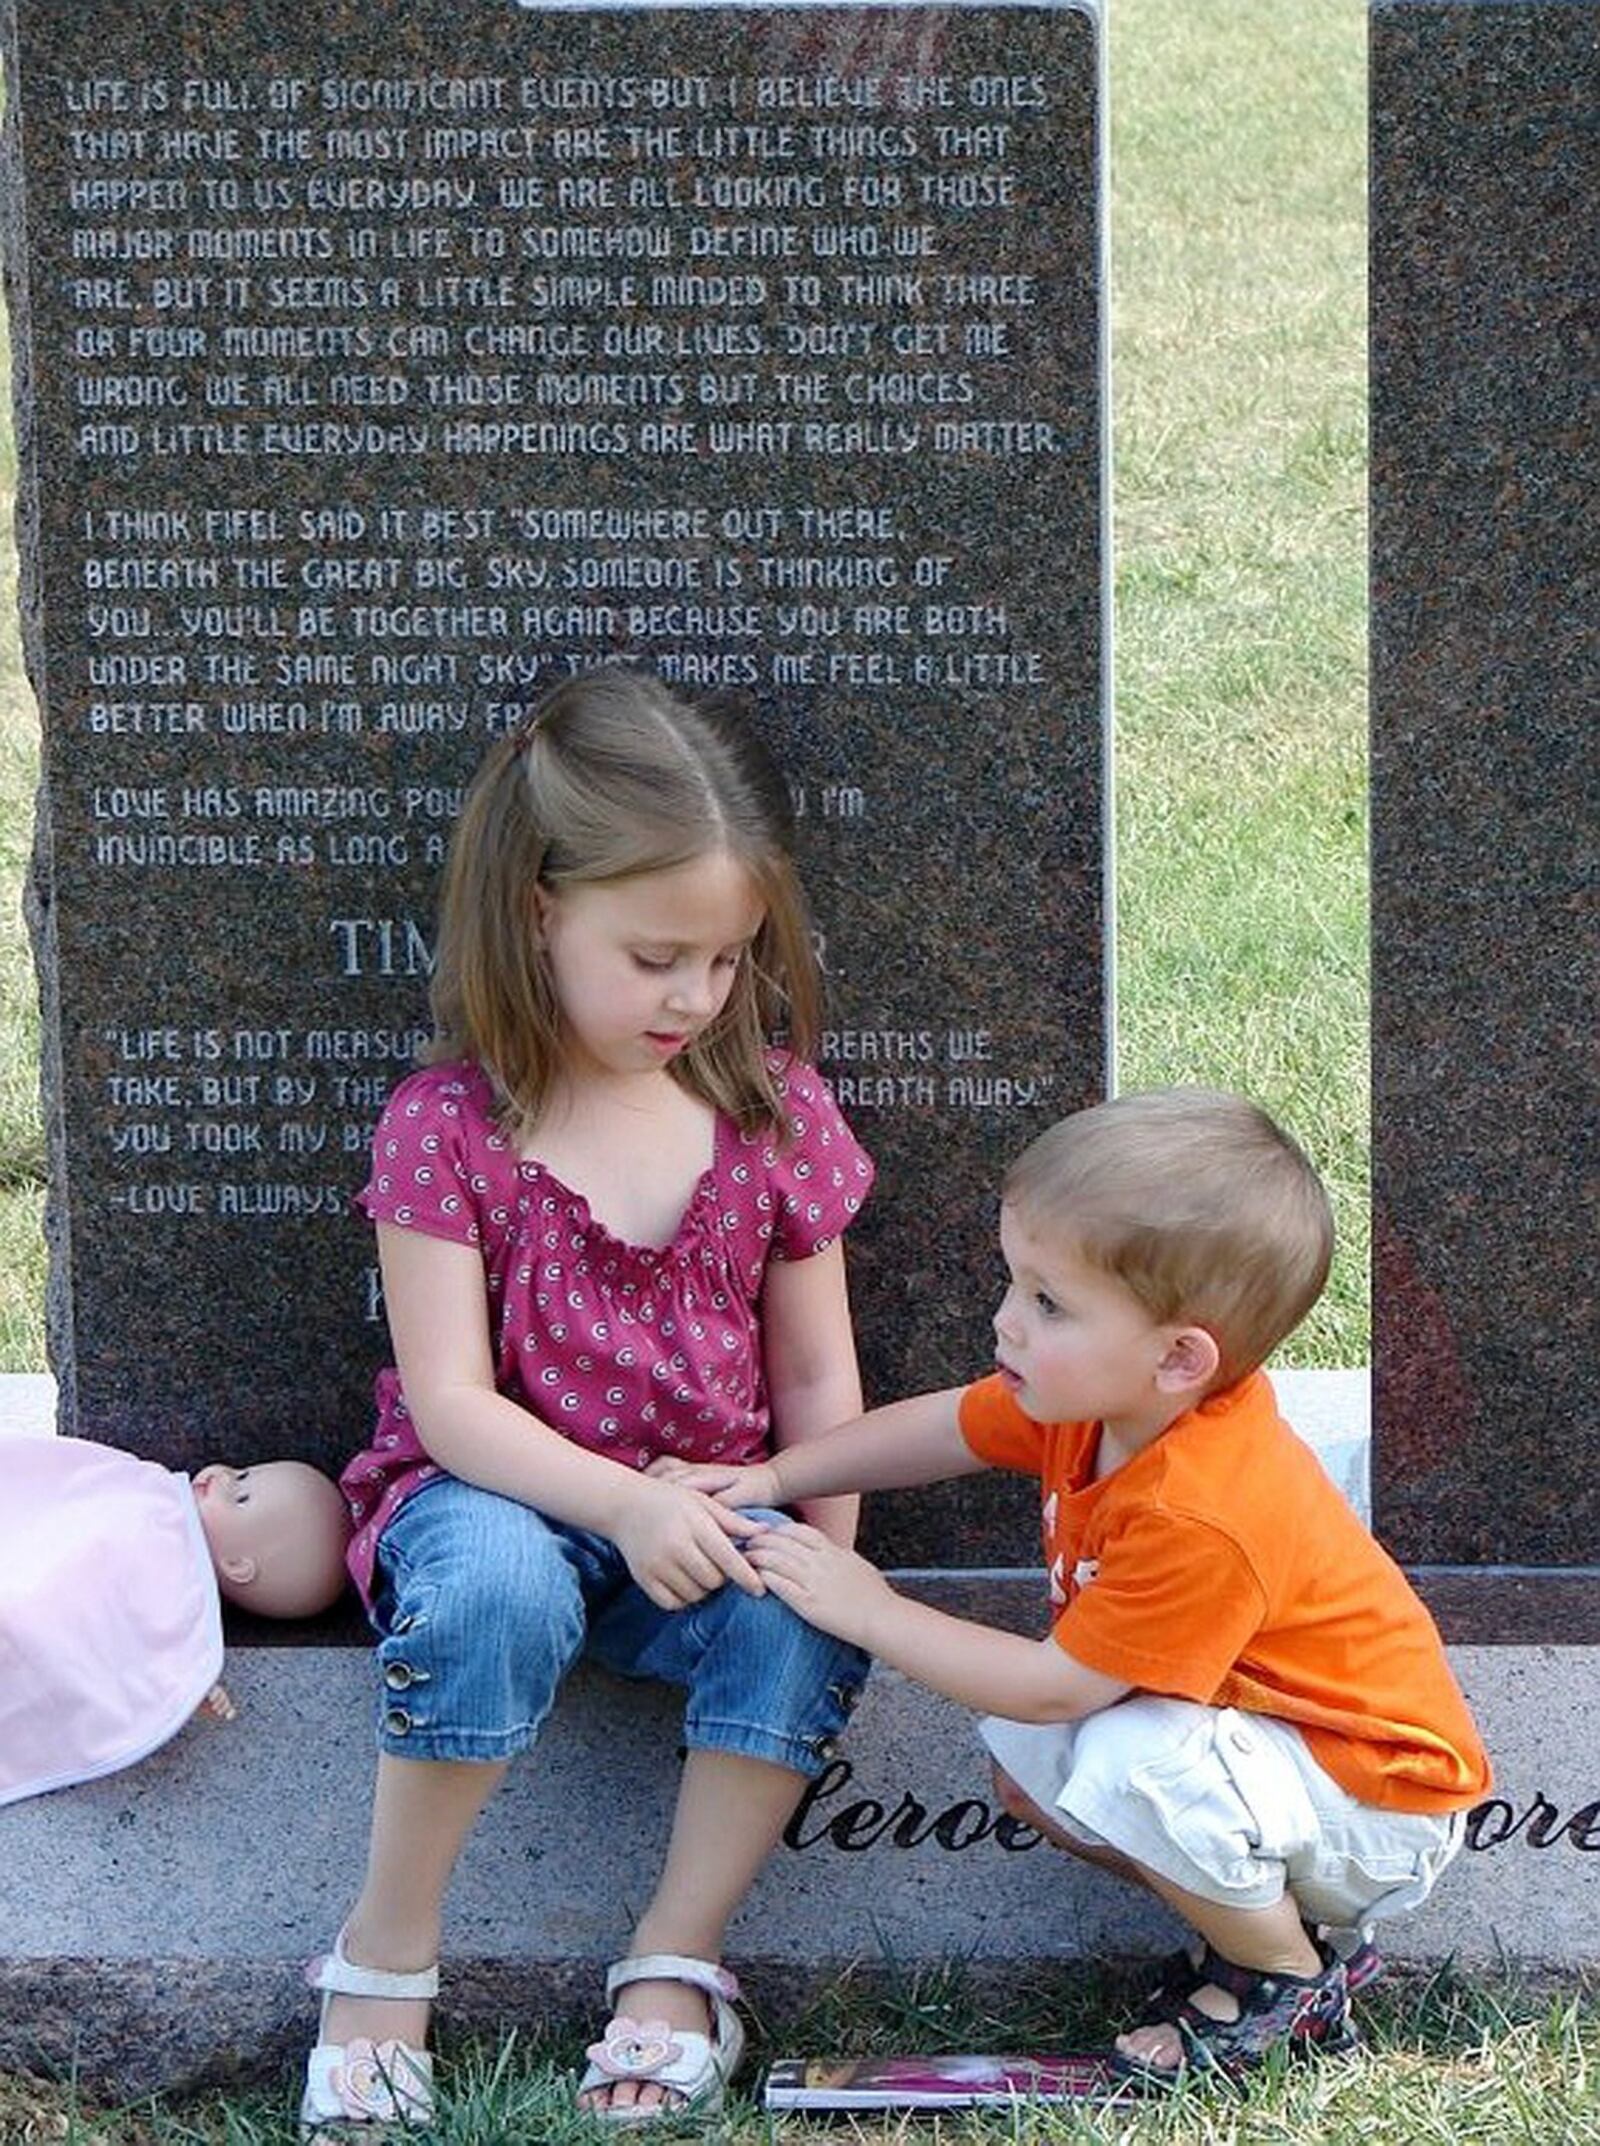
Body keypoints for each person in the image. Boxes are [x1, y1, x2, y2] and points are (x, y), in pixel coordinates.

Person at [303, 664, 874, 2136]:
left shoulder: (768, 1110)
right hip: (502, 1500)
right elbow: (449, 1400)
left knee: (803, 1607)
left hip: (714, 1510)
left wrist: (825, 1539)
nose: (695, 995)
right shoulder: (453, 1126)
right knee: (489, 1581)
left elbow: (815, 1373)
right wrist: (618, 1499)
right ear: (541, 910)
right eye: (656, 955)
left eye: (728, 958)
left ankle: (675, 1963)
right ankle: (384, 1954)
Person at [667, 1089, 1492, 2085]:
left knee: (1125, 1753)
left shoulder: (1204, 1506)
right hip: (1282, 1757)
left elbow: (1059, 1685)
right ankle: (1259, 1936)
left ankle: (1283, 1976)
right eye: (1013, 1281)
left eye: (1049, 1302)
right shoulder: (1097, 1400)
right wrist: (771, 1478)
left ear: (1179, 1357)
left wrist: (871, 1607)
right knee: (1038, 1772)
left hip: (1377, 1798)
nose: (1005, 1321)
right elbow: (940, 1431)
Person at [0, 1439, 350, 1807]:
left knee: (25, 1613)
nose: (225, 1476)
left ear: (238, 1565)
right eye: (243, 1474)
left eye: (241, 1497)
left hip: (38, 1596)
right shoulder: (149, 1490)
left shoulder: (178, 1584)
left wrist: (184, 1681)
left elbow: (120, 1632)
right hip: (38, 1539)